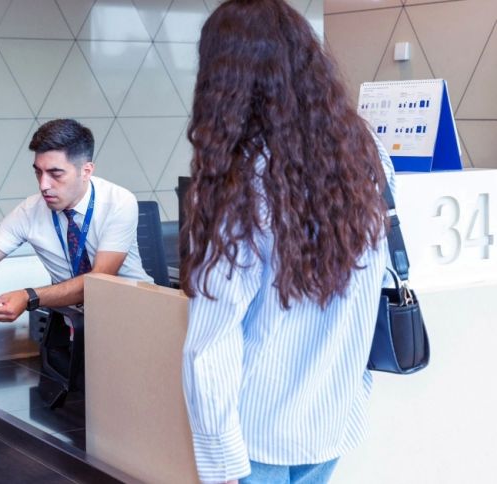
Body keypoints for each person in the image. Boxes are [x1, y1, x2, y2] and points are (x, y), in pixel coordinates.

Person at [180, 1, 395, 483]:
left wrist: (221, 458)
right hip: (333, 420)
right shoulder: (368, 155)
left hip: (256, 434)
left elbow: (211, 340)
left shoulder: (239, 179)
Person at [0, 118, 151, 321]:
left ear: (86, 171)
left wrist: (29, 296)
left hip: (137, 313)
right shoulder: (29, 211)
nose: (43, 185)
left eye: (55, 174)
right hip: (80, 320)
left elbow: (99, 282)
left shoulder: (118, 201)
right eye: (38, 172)